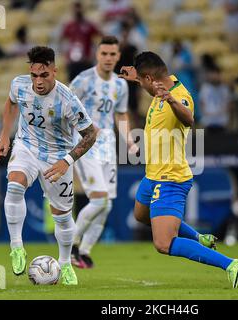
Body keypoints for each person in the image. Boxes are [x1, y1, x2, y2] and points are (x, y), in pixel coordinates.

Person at [119, 52, 238, 288]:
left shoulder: (179, 95)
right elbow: (151, 83)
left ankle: (231, 264)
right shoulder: (159, 85)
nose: (141, 85)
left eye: (141, 81)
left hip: (170, 178)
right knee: (141, 215)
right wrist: (135, 78)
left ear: (150, 78)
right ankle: (198, 237)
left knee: (163, 243)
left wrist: (170, 100)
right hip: (153, 175)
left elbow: (189, 118)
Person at [0, 46, 97, 285]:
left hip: (57, 157)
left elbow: (90, 135)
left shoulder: (68, 100)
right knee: (15, 186)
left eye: (44, 75)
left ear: (54, 71)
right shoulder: (19, 84)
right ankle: (16, 247)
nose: (38, 81)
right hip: (26, 146)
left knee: (61, 216)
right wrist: (4, 136)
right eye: (34, 75)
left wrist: (67, 161)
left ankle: (64, 264)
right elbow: (10, 104)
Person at [68, 36, 137, 269]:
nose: (108, 58)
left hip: (108, 144)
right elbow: (65, 105)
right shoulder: (84, 80)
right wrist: (78, 129)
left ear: (118, 56)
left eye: (112, 54)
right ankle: (71, 246)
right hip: (86, 142)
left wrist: (129, 141)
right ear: (97, 55)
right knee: (99, 199)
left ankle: (84, 252)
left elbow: (121, 114)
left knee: (106, 205)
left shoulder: (120, 84)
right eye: (104, 54)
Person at [59, 1, 102, 81]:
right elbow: (61, 40)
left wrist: (94, 54)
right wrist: (65, 56)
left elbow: (101, 36)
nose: (77, 10)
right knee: (73, 85)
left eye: (79, 7)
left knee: (88, 85)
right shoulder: (69, 26)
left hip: (86, 61)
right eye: (75, 7)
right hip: (73, 62)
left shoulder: (89, 25)